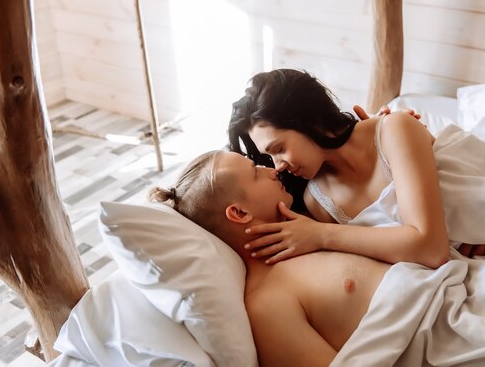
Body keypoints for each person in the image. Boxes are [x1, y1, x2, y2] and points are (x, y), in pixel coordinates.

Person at [228, 69, 485, 269]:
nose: (279, 165)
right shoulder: (318, 202)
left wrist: (322, 237)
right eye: (269, 158)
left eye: (279, 149)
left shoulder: (395, 128)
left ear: (308, 120)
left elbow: (428, 246)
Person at [149, 150, 391, 366]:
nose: (272, 171)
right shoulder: (267, 305)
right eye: (255, 172)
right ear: (240, 213)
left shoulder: (314, 226)